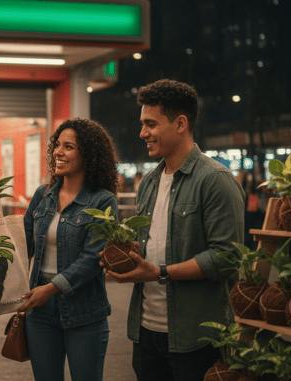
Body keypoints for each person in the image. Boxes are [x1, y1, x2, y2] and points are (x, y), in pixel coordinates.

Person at [102, 79, 244, 381]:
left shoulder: (215, 180)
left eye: (151, 124)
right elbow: (152, 246)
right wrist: (126, 257)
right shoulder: (150, 183)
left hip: (197, 336)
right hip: (145, 332)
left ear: (180, 123)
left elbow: (227, 257)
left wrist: (159, 272)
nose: (143, 133)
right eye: (142, 124)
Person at [18, 118, 119, 381]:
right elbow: (22, 242)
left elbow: (92, 258)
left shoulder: (102, 200)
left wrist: (51, 289)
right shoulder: (43, 195)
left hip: (84, 311)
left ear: (89, 155)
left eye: (68, 147)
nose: (58, 152)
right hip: (40, 310)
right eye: (57, 145)